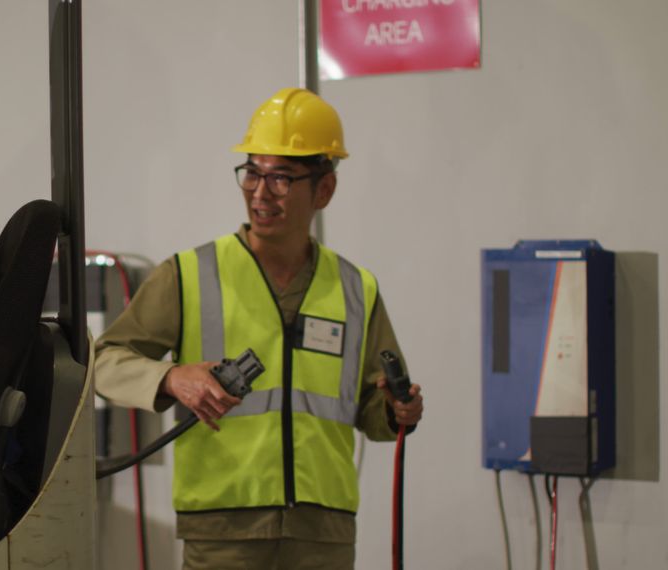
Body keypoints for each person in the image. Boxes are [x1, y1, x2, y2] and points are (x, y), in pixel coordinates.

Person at [94, 87, 424, 569]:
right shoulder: (189, 274)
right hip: (222, 531)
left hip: (324, 535)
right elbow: (103, 361)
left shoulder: (357, 289)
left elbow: (375, 410)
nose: (260, 192)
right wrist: (171, 377)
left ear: (325, 189)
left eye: (282, 178)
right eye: (252, 172)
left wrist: (399, 411)